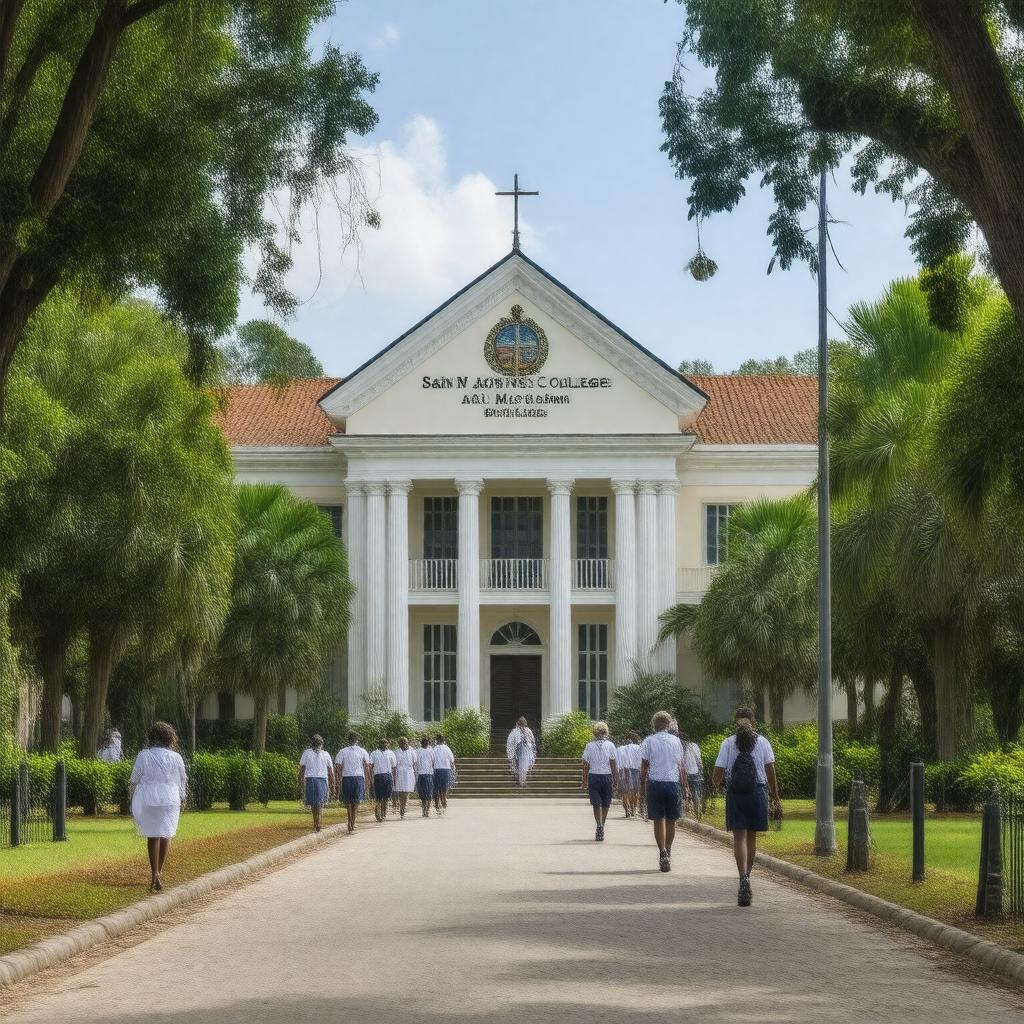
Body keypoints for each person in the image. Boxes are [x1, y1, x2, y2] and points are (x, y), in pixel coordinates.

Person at [712, 708, 781, 907]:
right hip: (758, 792)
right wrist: (775, 796)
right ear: (753, 722)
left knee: (739, 837)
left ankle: (742, 878)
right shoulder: (763, 742)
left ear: (736, 723)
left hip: (736, 793)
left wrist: (716, 786)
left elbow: (719, 771)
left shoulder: (728, 743)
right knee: (751, 838)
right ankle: (748, 876)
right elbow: (770, 771)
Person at [129, 722, 187, 892]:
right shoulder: (176, 757)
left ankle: (154, 873)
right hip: (170, 798)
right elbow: (182, 780)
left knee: (153, 836)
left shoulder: (144, 755)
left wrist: (131, 798)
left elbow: (134, 779)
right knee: (166, 834)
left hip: (149, 798)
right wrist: (182, 798)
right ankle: (159, 873)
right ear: (170, 738)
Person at [639, 710, 688, 873]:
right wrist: (685, 784)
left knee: (658, 819)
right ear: (668, 725)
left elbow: (644, 765)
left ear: (654, 724)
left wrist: (641, 786)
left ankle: (662, 852)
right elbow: (681, 766)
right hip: (672, 783)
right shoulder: (676, 741)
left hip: (655, 783)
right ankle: (668, 849)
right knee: (671, 820)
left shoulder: (649, 741)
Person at [581, 722, 617, 841]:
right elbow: (613, 764)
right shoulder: (610, 745)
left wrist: (584, 780)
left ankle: (599, 825)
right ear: (606, 732)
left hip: (594, 776)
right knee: (605, 804)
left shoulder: (589, 745)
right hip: (605, 776)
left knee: (598, 804)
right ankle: (601, 825)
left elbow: (585, 764)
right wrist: (615, 779)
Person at [335, 732, 372, 833]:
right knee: (353, 801)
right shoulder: (346, 751)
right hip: (353, 777)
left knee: (352, 801)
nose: (354, 739)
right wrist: (368, 779)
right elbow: (338, 766)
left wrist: (338, 778)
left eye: (354, 738)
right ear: (355, 740)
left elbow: (366, 766)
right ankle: (351, 821)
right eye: (353, 738)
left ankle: (351, 821)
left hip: (353, 777)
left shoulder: (356, 751)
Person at [298, 733, 334, 833]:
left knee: (316, 804)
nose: (318, 744)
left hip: (316, 780)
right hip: (315, 780)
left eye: (319, 743)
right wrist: (333, 784)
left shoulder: (324, 754)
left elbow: (330, 770)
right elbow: (302, 768)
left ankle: (316, 822)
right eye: (317, 743)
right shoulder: (308, 753)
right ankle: (317, 822)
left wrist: (300, 781)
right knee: (317, 803)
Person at [615, 731, 642, 819]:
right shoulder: (638, 747)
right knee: (635, 792)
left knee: (624, 793)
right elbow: (641, 761)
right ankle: (633, 809)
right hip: (635, 770)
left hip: (622, 770)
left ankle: (627, 810)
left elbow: (616, 762)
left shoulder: (619, 749)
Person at [506, 717, 536, 787]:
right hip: (519, 750)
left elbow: (532, 741)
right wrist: (511, 751)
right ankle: (520, 781)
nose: (522, 724)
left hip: (525, 750)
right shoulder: (516, 731)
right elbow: (510, 741)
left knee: (523, 766)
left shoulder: (527, 730)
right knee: (519, 766)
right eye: (522, 722)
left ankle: (521, 781)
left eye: (523, 722)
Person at [681, 732, 705, 819]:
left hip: (685, 774)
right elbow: (699, 760)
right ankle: (697, 814)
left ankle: (685, 814)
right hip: (695, 772)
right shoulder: (694, 746)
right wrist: (701, 770)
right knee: (696, 794)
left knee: (684, 793)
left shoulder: (681, 746)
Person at [370, 738, 395, 822]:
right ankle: (378, 815)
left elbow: (394, 767)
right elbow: (371, 766)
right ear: (379, 744)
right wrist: (370, 777)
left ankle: (384, 814)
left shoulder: (391, 753)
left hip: (388, 776)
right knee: (379, 798)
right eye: (382, 743)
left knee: (386, 797)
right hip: (378, 776)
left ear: (387, 744)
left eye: (385, 743)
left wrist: (393, 778)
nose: (384, 744)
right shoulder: (374, 753)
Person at [432, 733, 456, 814]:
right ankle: (444, 801)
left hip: (437, 769)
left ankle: (437, 803)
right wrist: (453, 769)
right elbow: (452, 761)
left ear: (437, 740)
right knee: (444, 787)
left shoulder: (434, 749)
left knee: (437, 787)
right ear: (443, 740)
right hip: (446, 769)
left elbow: (432, 760)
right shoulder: (447, 748)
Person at [393, 736, 416, 818]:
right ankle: (401, 805)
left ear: (407, 743)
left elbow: (414, 763)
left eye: (404, 743)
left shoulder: (412, 752)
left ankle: (403, 807)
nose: (403, 744)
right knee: (400, 791)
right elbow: (394, 764)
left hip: (408, 772)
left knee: (406, 791)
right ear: (399, 744)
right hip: (399, 772)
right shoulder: (396, 752)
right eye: (401, 743)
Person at [415, 736, 435, 816]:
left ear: (429, 743)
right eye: (424, 742)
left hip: (429, 774)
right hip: (420, 774)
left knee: (429, 793)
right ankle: (424, 810)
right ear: (421, 743)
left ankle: (427, 810)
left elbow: (433, 762)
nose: (426, 744)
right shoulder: (417, 751)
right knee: (422, 794)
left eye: (427, 742)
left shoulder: (431, 751)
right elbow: (415, 762)